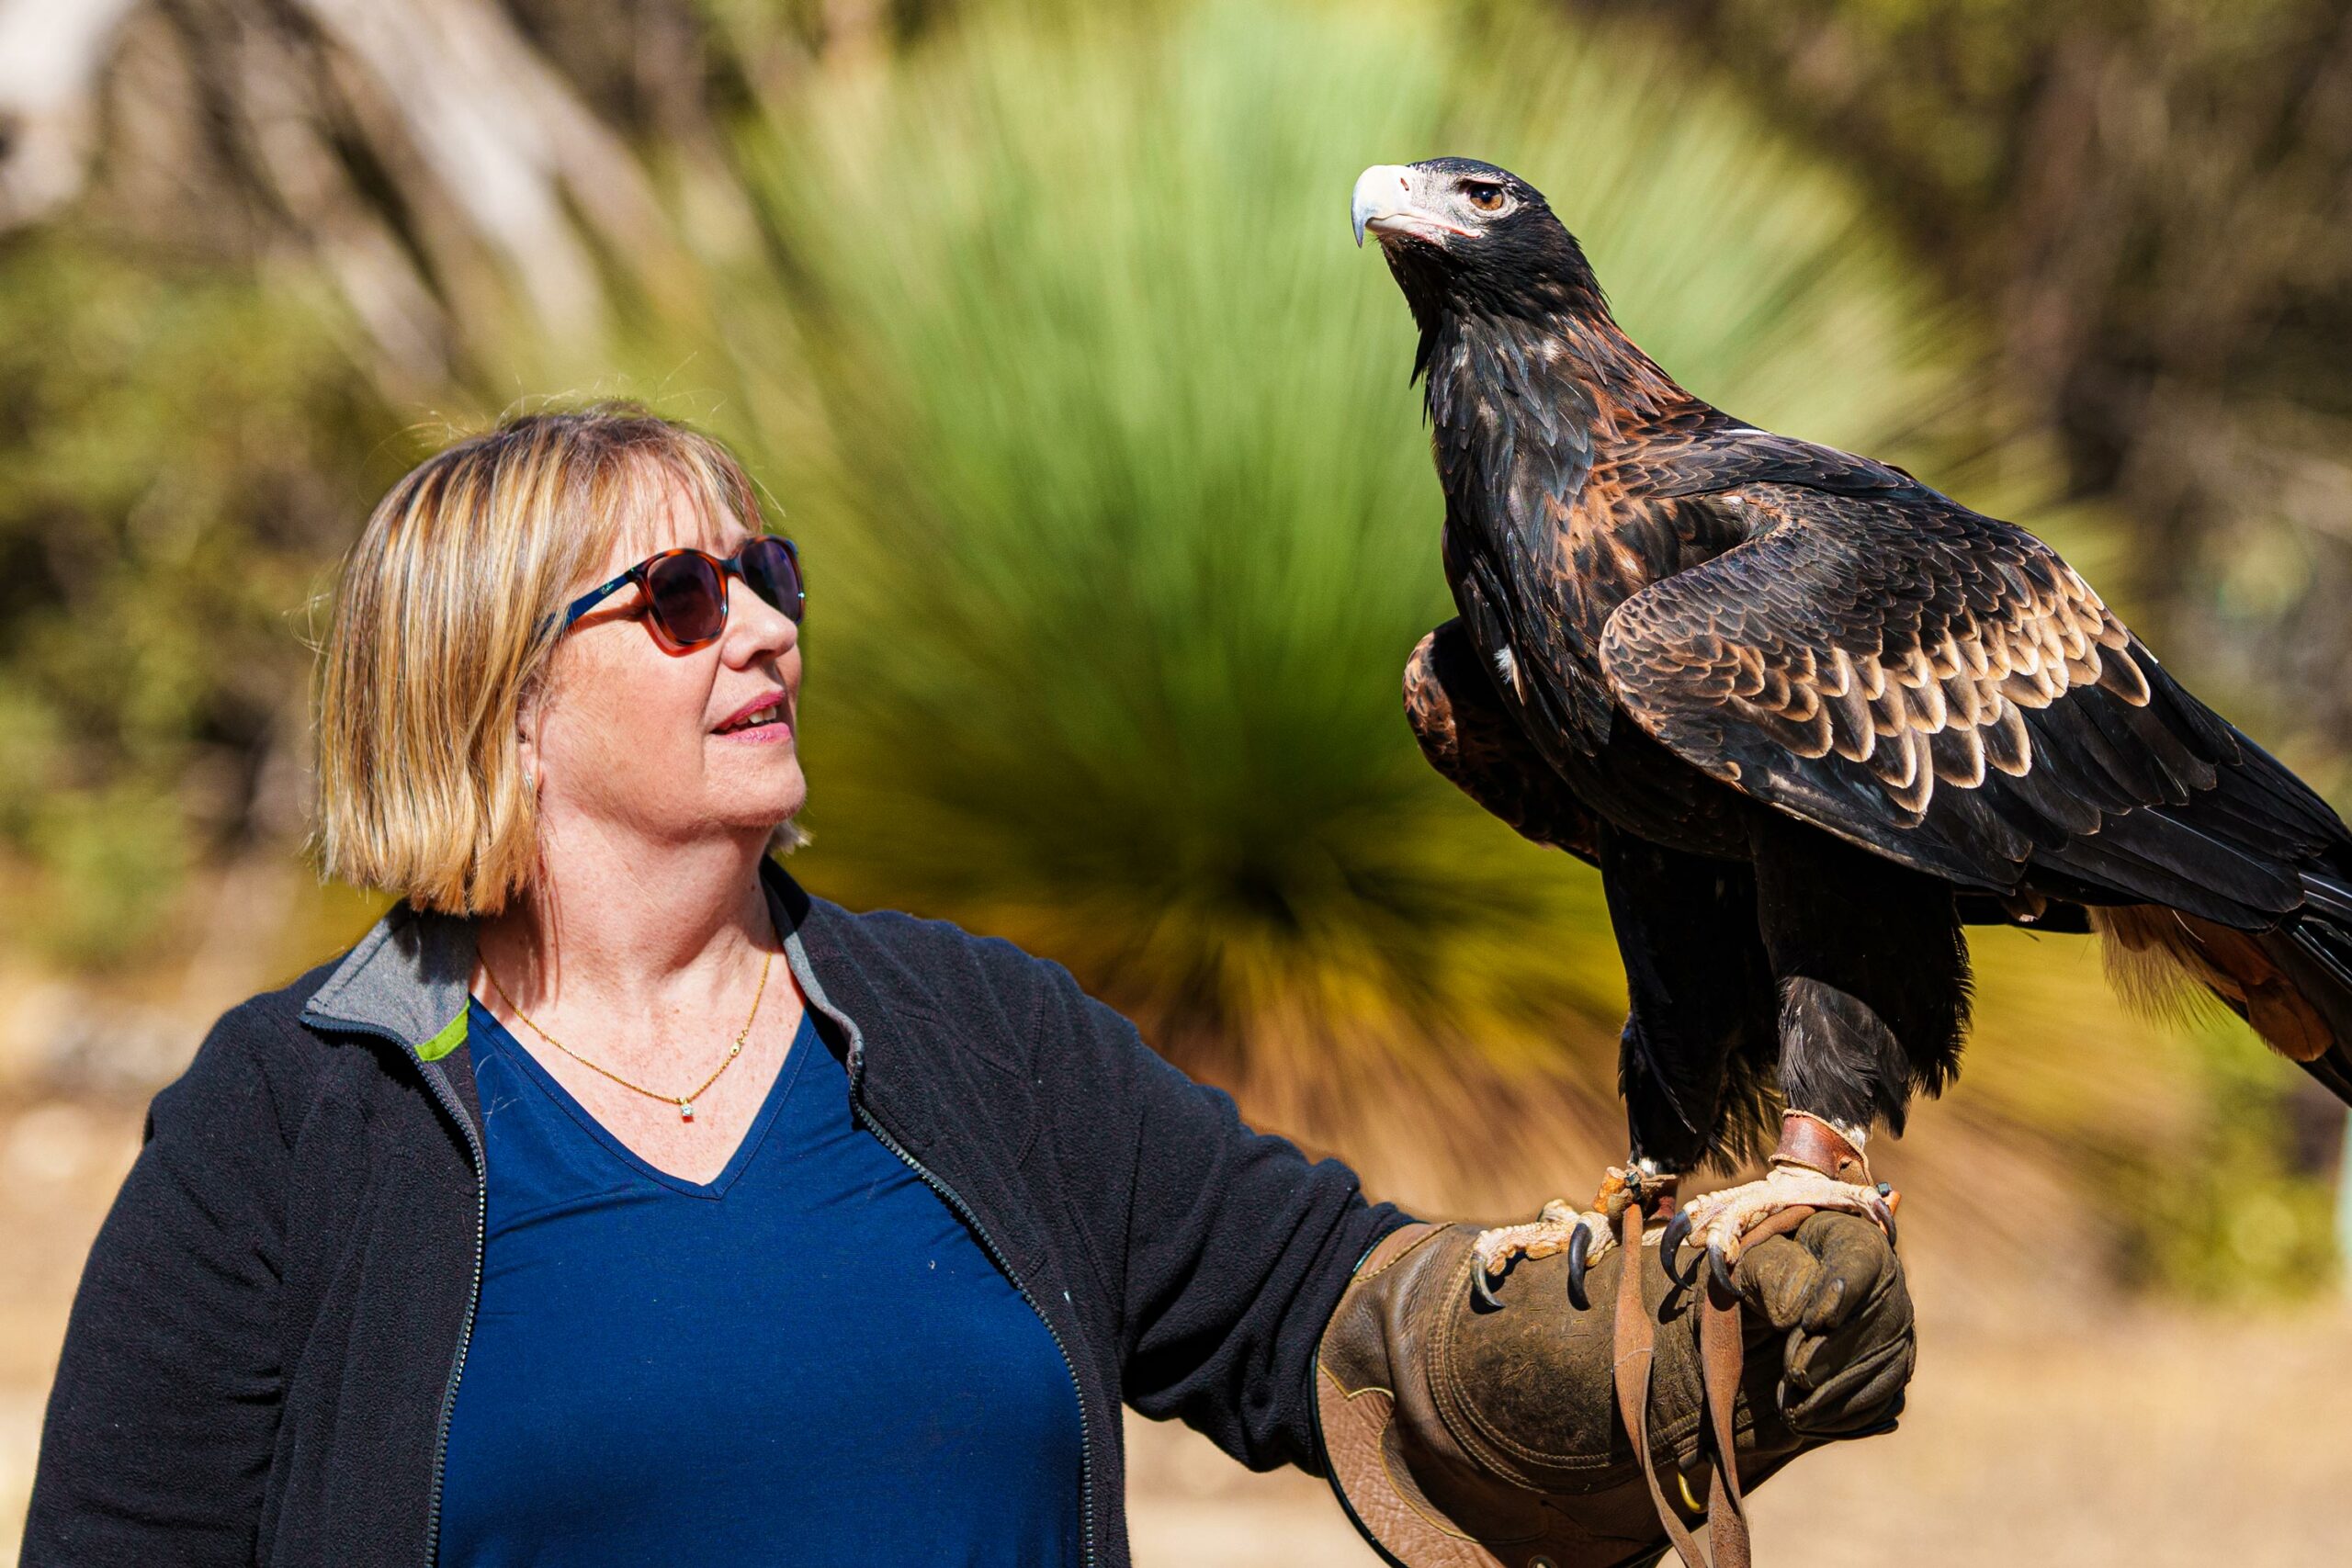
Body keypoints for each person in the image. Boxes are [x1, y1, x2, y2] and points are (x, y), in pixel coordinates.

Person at [21, 404, 1914, 1568]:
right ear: (490, 696)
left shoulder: (966, 1033)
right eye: (678, 596)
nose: (763, 622)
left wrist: (1591, 1348)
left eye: (764, 570)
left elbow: (1309, 1312)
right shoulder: (303, 1108)